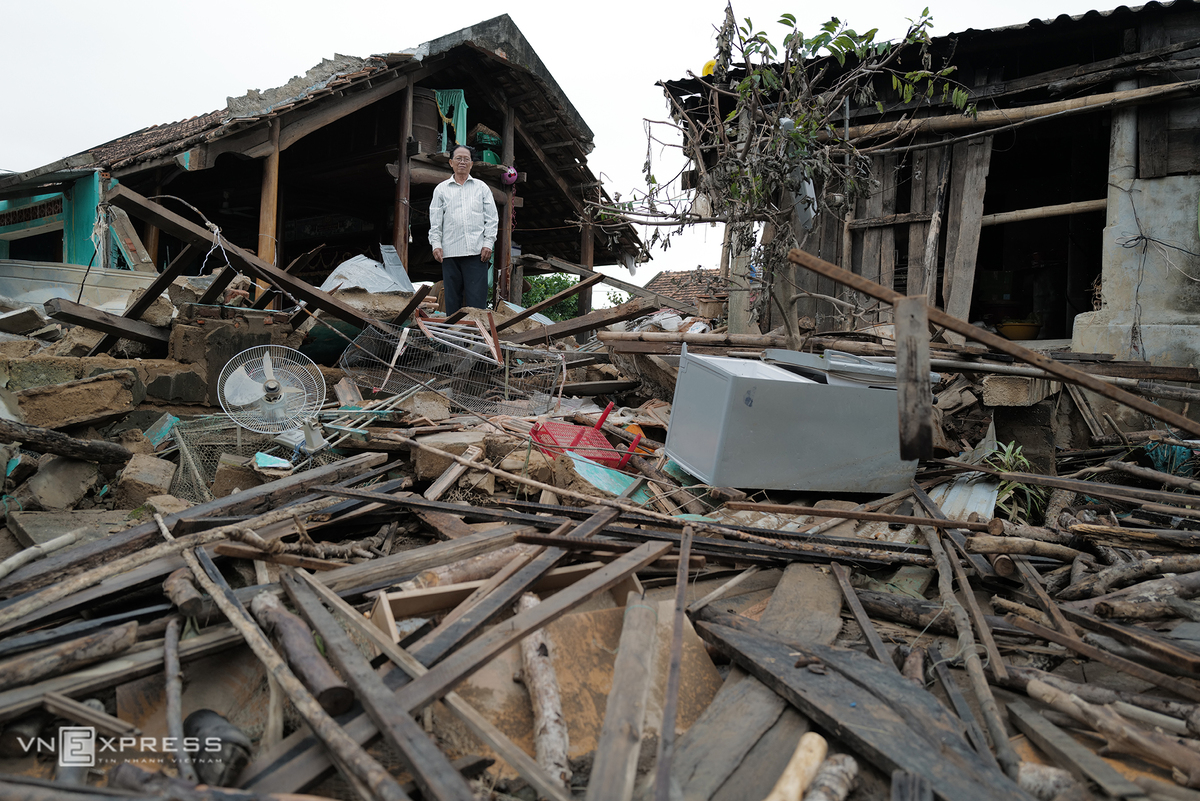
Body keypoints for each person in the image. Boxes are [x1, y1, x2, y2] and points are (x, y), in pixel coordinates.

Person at [428, 145, 499, 313]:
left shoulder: (481, 187)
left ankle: (475, 337)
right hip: (450, 253)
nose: (462, 162)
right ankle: (455, 339)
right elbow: (435, 221)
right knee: (453, 302)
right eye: (458, 158)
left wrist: (488, 243)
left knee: (476, 303)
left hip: (477, 253)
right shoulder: (441, 189)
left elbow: (492, 218)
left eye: (466, 159)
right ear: (451, 162)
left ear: (471, 164)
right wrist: (436, 245)